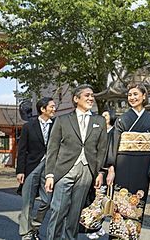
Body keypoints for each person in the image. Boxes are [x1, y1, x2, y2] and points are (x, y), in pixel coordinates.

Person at [44, 84, 109, 240]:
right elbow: (52, 149)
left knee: (75, 213)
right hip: (64, 170)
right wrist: (49, 175)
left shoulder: (99, 120)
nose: (91, 98)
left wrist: (100, 172)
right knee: (58, 210)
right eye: (87, 95)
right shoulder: (62, 120)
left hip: (87, 172)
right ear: (76, 98)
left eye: (92, 96)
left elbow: (102, 149)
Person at [105, 83, 150, 239]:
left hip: (143, 165)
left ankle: (132, 236)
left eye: (136, 94)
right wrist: (111, 167)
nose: (132, 97)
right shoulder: (122, 119)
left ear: (144, 96)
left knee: (138, 201)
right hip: (123, 162)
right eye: (130, 95)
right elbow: (114, 143)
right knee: (121, 201)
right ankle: (117, 236)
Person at [16, 97, 56, 240]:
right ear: (43, 109)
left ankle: (34, 226)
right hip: (31, 167)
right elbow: (22, 150)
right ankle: (26, 233)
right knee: (28, 202)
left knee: (47, 201)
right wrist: (20, 171)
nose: (54, 109)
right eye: (51, 106)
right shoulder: (28, 126)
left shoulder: (57, 125)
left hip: (49, 168)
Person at [83, 109, 117, 240]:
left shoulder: (115, 132)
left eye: (106, 115)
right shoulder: (98, 132)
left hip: (112, 168)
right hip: (99, 168)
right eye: (102, 115)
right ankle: (92, 227)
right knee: (97, 200)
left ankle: (97, 226)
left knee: (106, 200)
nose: (104, 117)